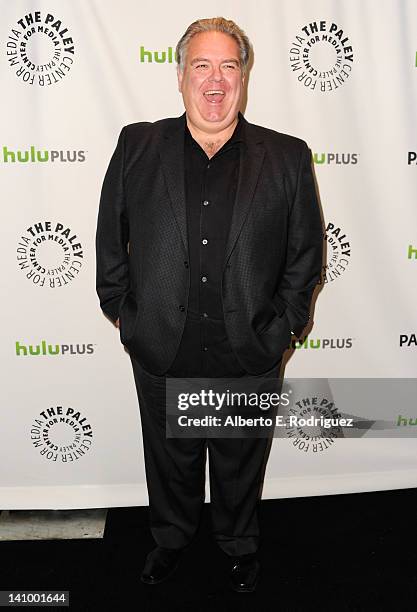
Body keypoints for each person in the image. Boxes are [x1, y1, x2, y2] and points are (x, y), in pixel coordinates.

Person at [96, 17, 323, 593]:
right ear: (180, 77)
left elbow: (305, 255)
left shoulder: (287, 156)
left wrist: (284, 328)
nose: (215, 81)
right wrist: (124, 313)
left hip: (247, 348)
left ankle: (238, 544)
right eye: (202, 65)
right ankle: (169, 539)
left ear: (243, 78)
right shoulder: (137, 145)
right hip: (162, 347)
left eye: (228, 66)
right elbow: (108, 237)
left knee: (239, 463)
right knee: (168, 462)